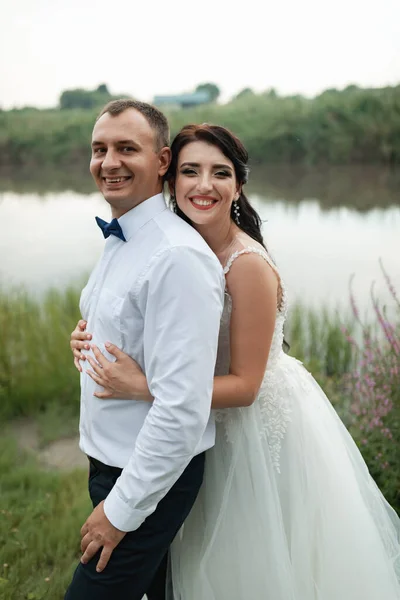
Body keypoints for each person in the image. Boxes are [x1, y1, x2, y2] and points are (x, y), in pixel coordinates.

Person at [71, 123, 400, 599]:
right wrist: (90, 335)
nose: (204, 186)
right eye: (190, 171)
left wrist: (143, 385)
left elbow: (246, 386)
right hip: (195, 424)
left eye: (219, 173)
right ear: (169, 177)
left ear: (238, 186)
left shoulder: (245, 266)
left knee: (250, 562)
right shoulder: (168, 247)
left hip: (248, 429)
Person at [64, 102, 225, 600]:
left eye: (126, 148)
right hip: (110, 459)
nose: (108, 161)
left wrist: (120, 511)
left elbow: (182, 408)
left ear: (161, 161)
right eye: (99, 149)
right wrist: (85, 345)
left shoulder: (176, 257)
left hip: (147, 473)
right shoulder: (125, 234)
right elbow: (125, 332)